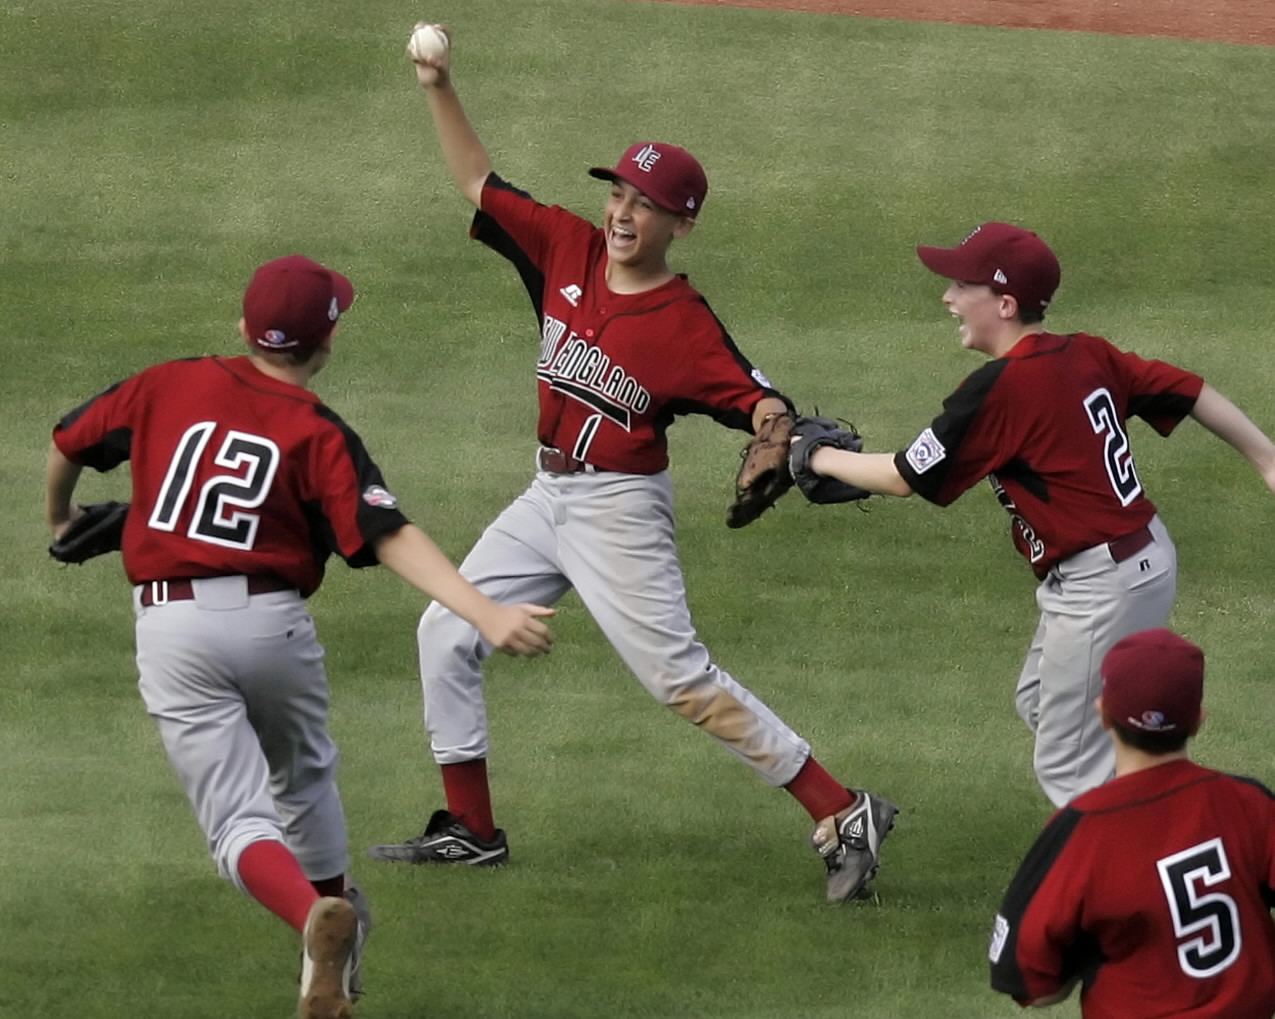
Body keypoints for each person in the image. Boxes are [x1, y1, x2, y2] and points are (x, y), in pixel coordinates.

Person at [366, 26, 898, 905]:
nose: (621, 212)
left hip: (618, 508)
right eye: (617, 192)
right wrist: (437, 83)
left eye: (643, 204)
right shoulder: (563, 249)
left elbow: (759, 399)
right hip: (547, 494)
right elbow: (476, 181)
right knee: (444, 628)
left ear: (680, 223)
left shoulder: (686, 325)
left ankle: (842, 810)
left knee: (678, 679)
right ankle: (472, 830)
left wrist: (780, 430)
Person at [45, 255, 555, 1019]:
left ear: (244, 327)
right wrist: (482, 610)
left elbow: (69, 441)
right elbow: (386, 532)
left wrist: (59, 516)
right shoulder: (317, 429)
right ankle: (331, 931)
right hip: (273, 624)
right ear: (328, 342)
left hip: (174, 623)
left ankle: (311, 919)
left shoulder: (165, 382)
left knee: (239, 821)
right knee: (305, 779)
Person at [792, 221, 1275, 806]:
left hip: (1105, 580)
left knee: (1069, 768)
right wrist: (1266, 459)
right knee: (1044, 702)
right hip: (1137, 557)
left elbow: (901, 476)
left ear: (1004, 302)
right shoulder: (1085, 353)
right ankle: (1157, 811)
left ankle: (1141, 863)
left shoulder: (1005, 386)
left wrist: (817, 456)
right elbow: (1190, 390)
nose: (947, 297)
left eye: (959, 284)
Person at [988, 628, 1275, 1016]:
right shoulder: (1250, 804)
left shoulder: (1081, 830)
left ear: (1103, 713)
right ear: (1198, 719)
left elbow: (1031, 983)